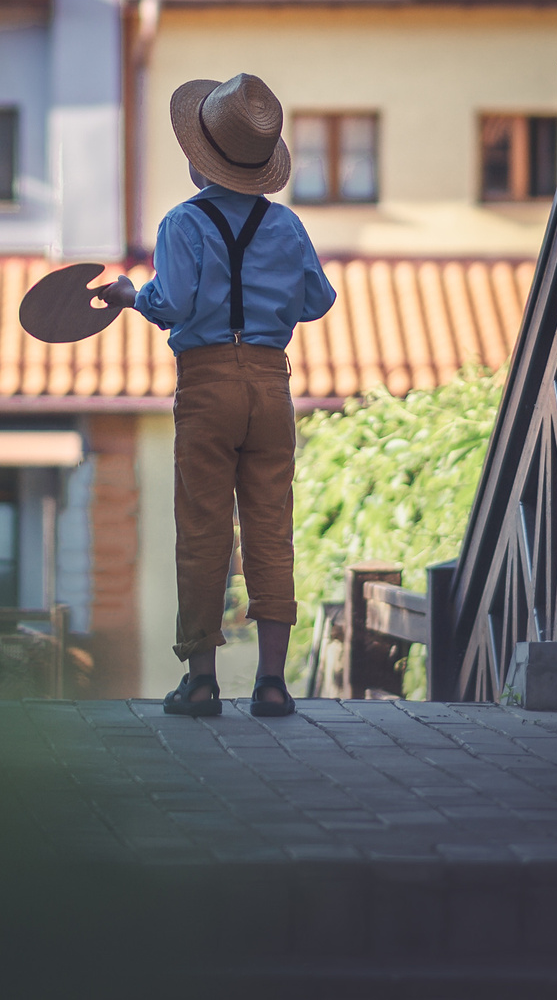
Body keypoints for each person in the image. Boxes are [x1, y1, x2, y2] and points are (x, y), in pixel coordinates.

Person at [93, 72, 336, 717]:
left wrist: (128, 296)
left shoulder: (182, 223)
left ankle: (201, 681)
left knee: (204, 529)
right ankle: (274, 683)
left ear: (202, 160)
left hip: (205, 385)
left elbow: (171, 304)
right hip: (270, 381)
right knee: (270, 528)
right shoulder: (285, 226)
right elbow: (318, 300)